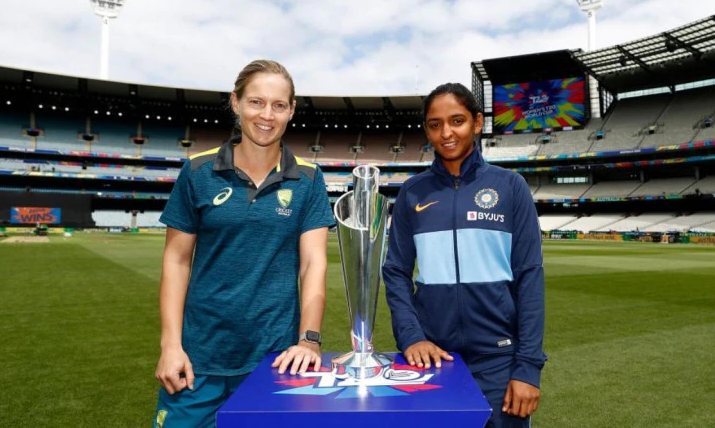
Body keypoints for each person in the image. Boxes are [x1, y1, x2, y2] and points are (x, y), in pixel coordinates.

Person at [153, 59, 335, 428]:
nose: (267, 115)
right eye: (256, 102)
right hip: (198, 358)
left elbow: (313, 264)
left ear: (291, 110)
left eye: (278, 105)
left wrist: (309, 340)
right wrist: (170, 345)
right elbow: (176, 261)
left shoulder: (309, 178)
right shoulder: (198, 171)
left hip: (276, 359)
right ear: (236, 103)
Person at [382, 82, 546, 428]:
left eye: (457, 121)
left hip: (500, 360)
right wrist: (412, 337)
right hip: (433, 359)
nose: (446, 133)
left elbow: (530, 277)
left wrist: (528, 368)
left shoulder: (510, 186)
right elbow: (395, 271)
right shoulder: (412, 192)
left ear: (477, 122)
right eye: (435, 124)